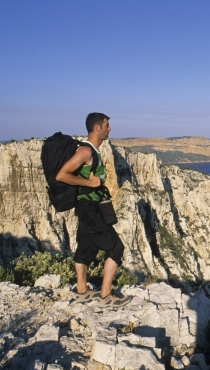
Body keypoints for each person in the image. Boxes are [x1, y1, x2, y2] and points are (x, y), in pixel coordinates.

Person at [56, 112, 131, 307]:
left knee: (86, 248)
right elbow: (62, 175)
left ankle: (82, 291)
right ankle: (106, 295)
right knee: (116, 248)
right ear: (97, 128)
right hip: (89, 207)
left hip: (87, 207)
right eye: (107, 125)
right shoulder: (86, 152)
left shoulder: (92, 151)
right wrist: (89, 183)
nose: (110, 128)